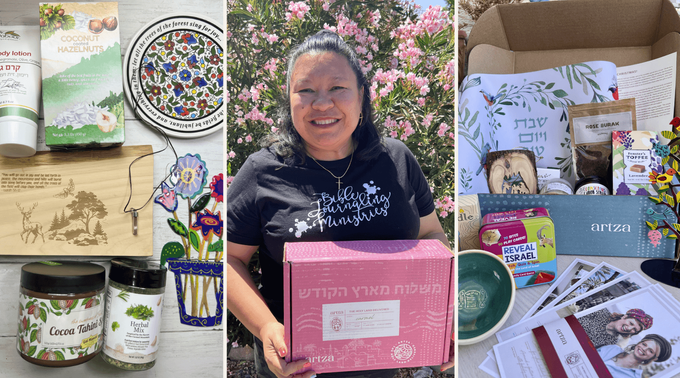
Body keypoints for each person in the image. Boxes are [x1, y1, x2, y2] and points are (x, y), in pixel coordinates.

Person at [227, 30, 453, 378]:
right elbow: (226, 259)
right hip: (296, 365)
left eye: (337, 88)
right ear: (289, 99)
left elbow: (432, 235)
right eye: (305, 90)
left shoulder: (396, 161)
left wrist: (441, 313)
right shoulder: (262, 171)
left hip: (381, 359)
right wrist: (265, 328)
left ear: (361, 96)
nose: (321, 103)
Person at [597, 334, 672, 378]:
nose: (644, 349)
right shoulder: (613, 348)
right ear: (639, 343)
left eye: (650, 351)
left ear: (654, 358)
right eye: (644, 344)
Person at [578, 308, 653, 349]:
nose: (629, 328)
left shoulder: (610, 343)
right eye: (631, 323)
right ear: (625, 317)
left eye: (634, 330)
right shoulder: (601, 312)